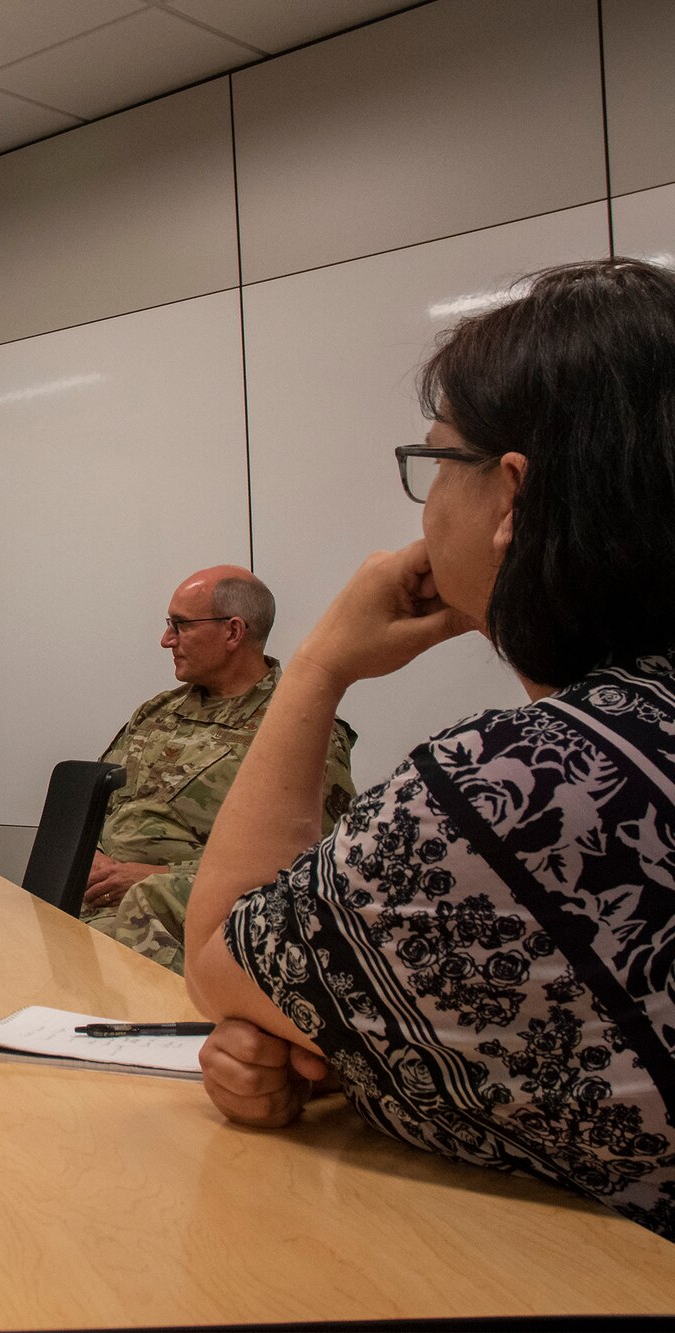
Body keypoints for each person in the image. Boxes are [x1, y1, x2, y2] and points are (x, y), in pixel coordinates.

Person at [185, 258, 675, 1240]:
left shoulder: (516, 791)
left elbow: (218, 953)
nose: (422, 503)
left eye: (434, 458)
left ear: (506, 497)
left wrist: (319, 663)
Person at [79, 566, 356, 973]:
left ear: (233, 632)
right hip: (88, 900)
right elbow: (95, 805)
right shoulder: (158, 712)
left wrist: (156, 875)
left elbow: (306, 867)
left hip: (180, 923)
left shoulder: (299, 730)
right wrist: (89, 854)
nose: (166, 640)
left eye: (181, 626)